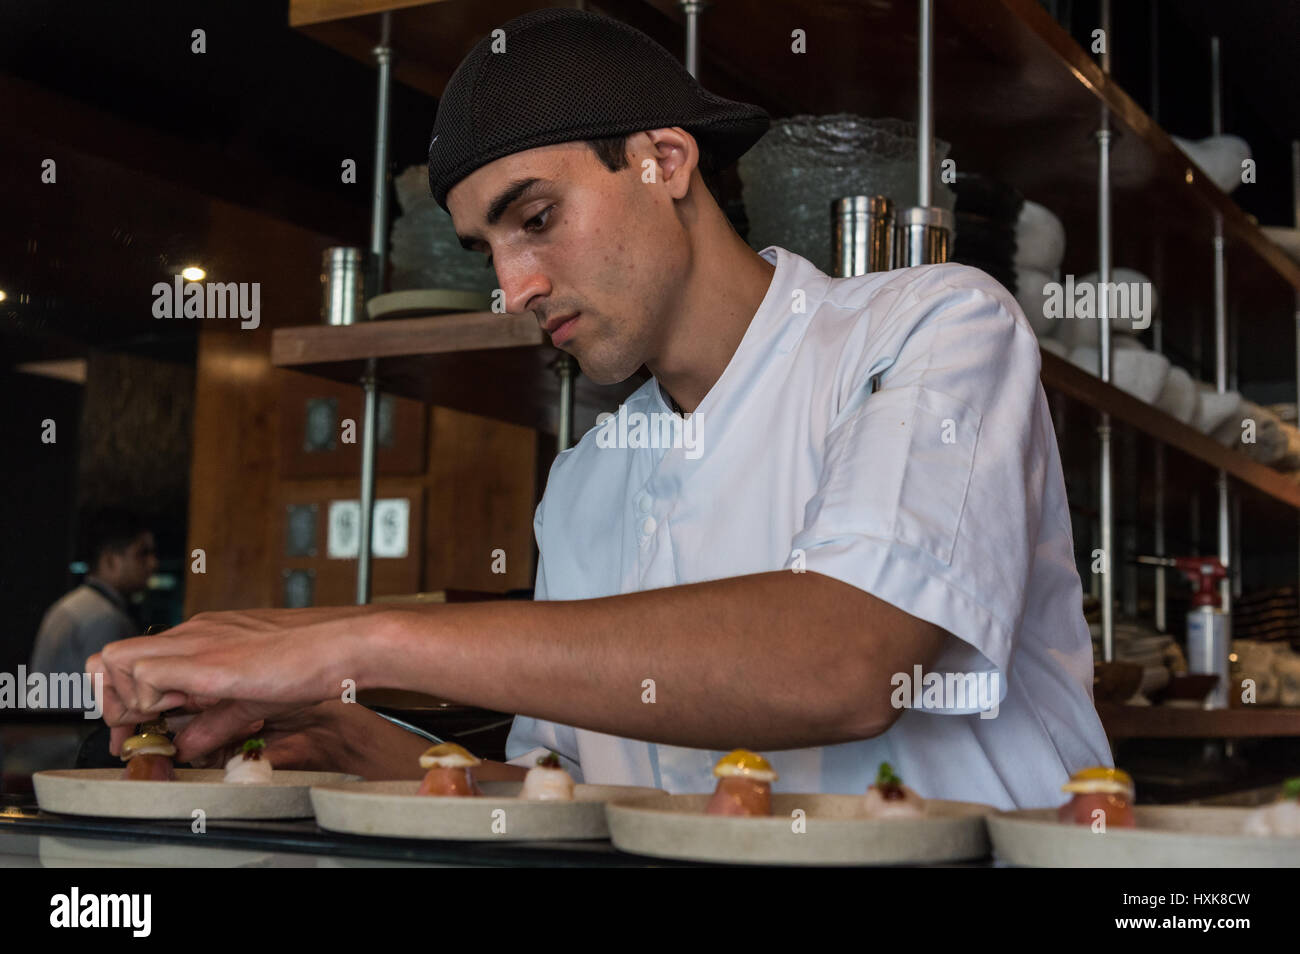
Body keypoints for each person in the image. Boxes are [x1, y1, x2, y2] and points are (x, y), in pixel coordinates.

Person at [90, 8, 1111, 808]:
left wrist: (355, 640)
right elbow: (577, 799)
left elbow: (846, 663)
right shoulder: (584, 482)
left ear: (663, 160)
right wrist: (363, 738)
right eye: (486, 252)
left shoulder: (930, 327)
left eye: (535, 220)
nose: (515, 286)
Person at [31, 507, 155, 677]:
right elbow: (105, 697)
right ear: (111, 561)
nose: (153, 563)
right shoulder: (103, 617)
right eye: (142, 554)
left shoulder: (76, 605)